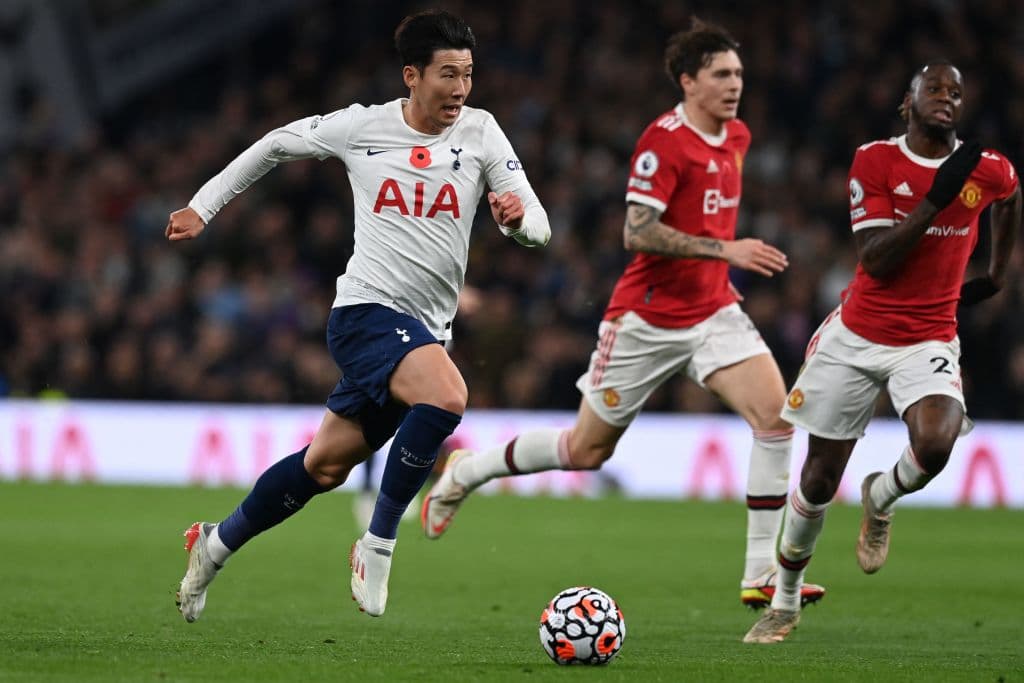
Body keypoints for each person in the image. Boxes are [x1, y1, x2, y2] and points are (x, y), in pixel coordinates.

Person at [421, 18, 826, 610]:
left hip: (714, 311)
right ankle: (465, 471)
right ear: (688, 82)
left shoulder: (735, 136)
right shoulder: (664, 142)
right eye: (721, 74)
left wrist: (719, 264)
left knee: (776, 418)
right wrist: (724, 249)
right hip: (646, 319)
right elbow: (636, 231)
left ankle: (761, 571)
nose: (734, 84)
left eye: (738, 73)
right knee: (587, 451)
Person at [170, 9, 551, 621]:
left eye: (469, 74)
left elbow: (538, 224)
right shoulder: (360, 128)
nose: (460, 88)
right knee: (449, 397)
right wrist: (201, 207)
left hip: (424, 332)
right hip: (364, 313)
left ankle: (212, 546)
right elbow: (274, 146)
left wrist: (517, 223)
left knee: (322, 466)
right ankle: (377, 543)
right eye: (448, 74)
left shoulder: (482, 134)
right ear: (411, 75)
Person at [743, 60, 1021, 644]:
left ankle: (882, 494)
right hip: (858, 335)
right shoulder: (876, 160)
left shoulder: (984, 167)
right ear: (908, 100)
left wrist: (997, 273)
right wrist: (937, 201)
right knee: (818, 479)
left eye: (957, 91)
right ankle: (785, 602)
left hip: (928, 337)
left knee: (938, 444)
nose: (947, 98)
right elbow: (874, 260)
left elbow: (1010, 192)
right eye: (934, 88)